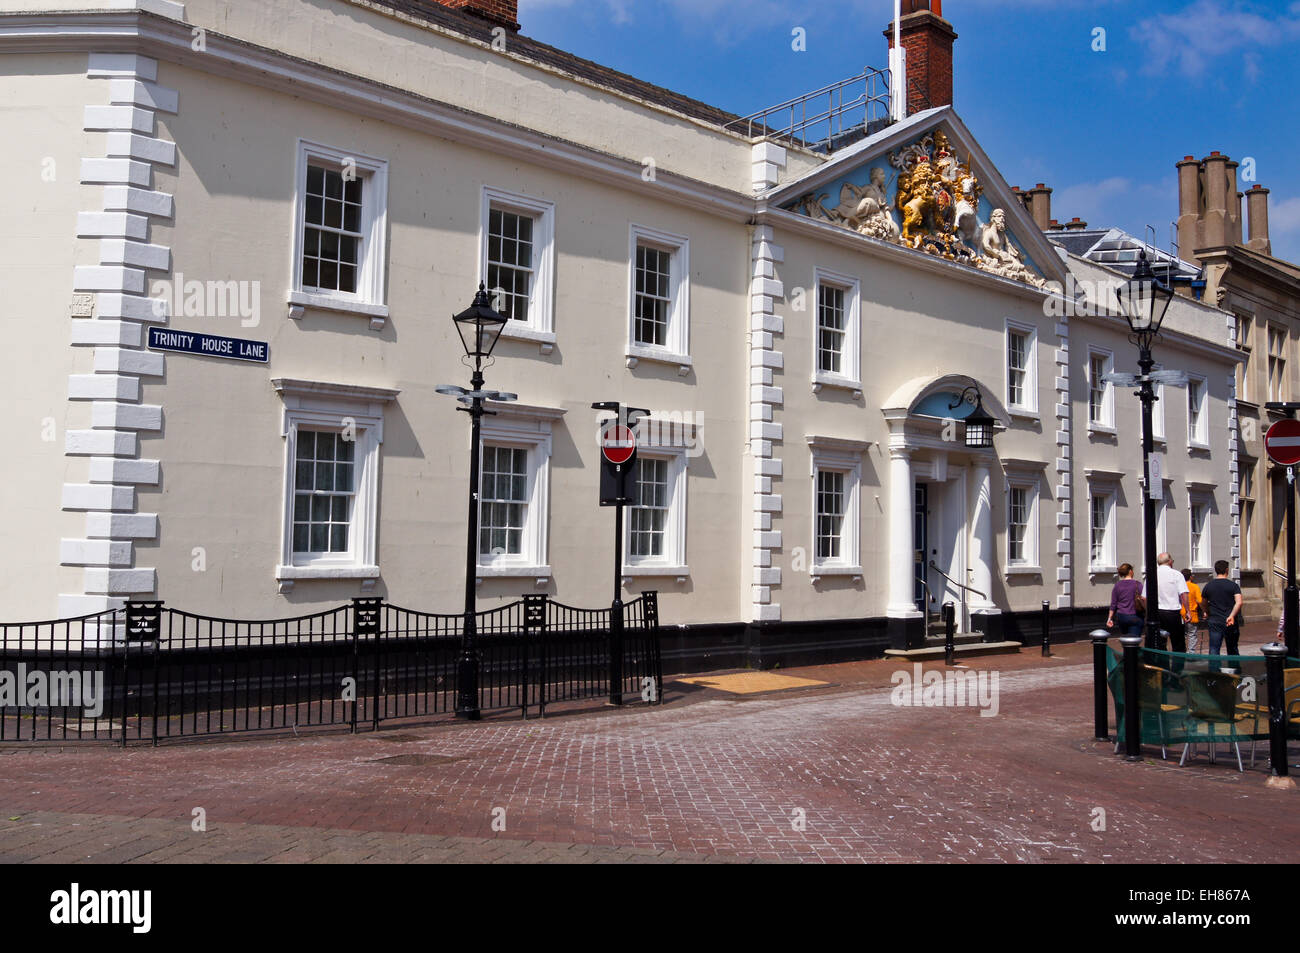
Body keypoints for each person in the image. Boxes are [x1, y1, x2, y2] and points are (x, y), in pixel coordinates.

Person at [1200, 560, 1243, 672]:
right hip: (1230, 621)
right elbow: (1239, 602)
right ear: (1227, 570)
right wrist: (1232, 615)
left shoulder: (1208, 586)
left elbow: (1203, 602)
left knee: (1214, 649)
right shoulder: (1233, 586)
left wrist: (1206, 612)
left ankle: (1214, 674)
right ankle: (1236, 673)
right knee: (1232, 648)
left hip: (1215, 620)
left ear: (1216, 570)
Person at [1148, 552, 1189, 655]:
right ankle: (1177, 669)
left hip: (1157, 613)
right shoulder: (1176, 574)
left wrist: (1149, 611)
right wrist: (1188, 611)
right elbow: (1183, 594)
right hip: (1173, 613)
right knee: (1178, 644)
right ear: (1170, 561)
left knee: (1160, 644)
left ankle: (1162, 668)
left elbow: (1144, 597)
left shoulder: (1152, 574)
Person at [1106, 563, 1144, 636]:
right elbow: (1144, 598)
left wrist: (1109, 618)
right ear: (1130, 571)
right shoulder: (1138, 584)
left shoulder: (1117, 585)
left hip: (1122, 617)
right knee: (1134, 641)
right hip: (1135, 616)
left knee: (1126, 640)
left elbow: (1113, 604)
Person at [1181, 568, 1203, 653]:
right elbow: (1199, 600)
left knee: (1181, 634)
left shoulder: (1178, 586)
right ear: (1191, 577)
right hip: (1191, 613)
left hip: (1180, 613)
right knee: (1192, 634)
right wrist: (1204, 610)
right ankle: (1191, 652)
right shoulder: (1194, 586)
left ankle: (1181, 651)